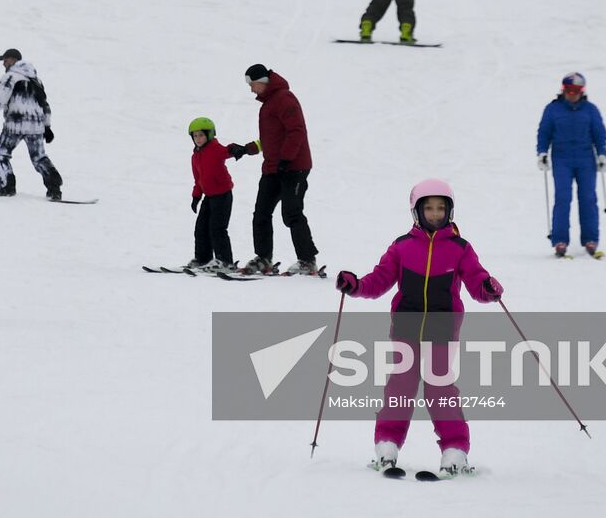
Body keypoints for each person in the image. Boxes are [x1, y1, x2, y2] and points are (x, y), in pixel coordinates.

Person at [334, 178, 503, 478]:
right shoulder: (402, 247)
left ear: (449, 211)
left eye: (441, 208)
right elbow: (380, 280)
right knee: (400, 386)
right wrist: (357, 285)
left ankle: (455, 451)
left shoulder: (460, 248)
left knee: (440, 389)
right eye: (429, 208)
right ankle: (387, 445)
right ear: (417, 211)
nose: (435, 214)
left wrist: (488, 288)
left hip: (443, 326)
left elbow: (477, 280)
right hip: (405, 326)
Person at [226, 65, 321, 274]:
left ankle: (307, 261)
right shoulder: (269, 103)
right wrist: (247, 149)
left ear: (262, 81)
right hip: (273, 168)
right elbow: (270, 140)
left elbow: (296, 131)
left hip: (294, 168)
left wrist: (286, 159)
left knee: (292, 213)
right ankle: (263, 258)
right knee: (261, 213)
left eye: (252, 84)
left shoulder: (285, 98)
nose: (251, 89)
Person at [537, 72, 606, 257]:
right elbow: (544, 132)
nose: (572, 94)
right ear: (563, 90)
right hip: (562, 159)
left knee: (588, 199)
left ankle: (590, 240)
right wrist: (542, 152)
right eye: (568, 90)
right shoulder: (553, 109)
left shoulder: (590, 110)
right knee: (563, 198)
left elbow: (599, 132)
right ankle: (560, 240)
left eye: (576, 90)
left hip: (586, 160)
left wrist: (602, 155)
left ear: (582, 91)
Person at [0, 49, 64, 201]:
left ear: (12, 60)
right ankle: (54, 188)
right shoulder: (36, 81)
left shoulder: (10, 76)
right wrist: (47, 127)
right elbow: (44, 105)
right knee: (39, 157)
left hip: (15, 124)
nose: (3, 64)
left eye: (5, 60)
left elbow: (0, 98)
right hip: (36, 127)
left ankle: (7, 186)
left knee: (2, 155)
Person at [187, 117, 236, 272]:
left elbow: (227, 151)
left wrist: (236, 149)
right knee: (200, 228)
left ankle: (225, 261)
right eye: (195, 136)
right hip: (209, 197)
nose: (198, 139)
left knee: (217, 228)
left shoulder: (215, 148)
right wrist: (196, 197)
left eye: (201, 135)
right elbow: (198, 179)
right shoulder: (195, 157)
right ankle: (203, 259)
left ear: (209, 135)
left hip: (223, 195)